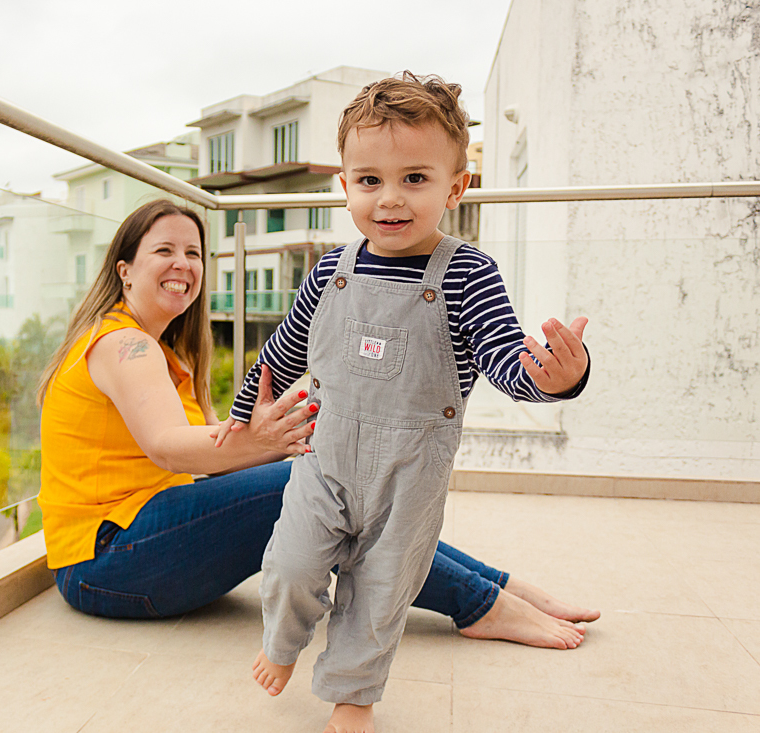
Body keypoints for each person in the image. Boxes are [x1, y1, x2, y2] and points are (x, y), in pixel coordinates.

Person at [35, 199, 596, 660]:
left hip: (137, 542)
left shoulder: (164, 352)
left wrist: (298, 437)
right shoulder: (124, 345)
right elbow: (167, 447)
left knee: (330, 485)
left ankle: (495, 585)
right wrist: (272, 444)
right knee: (314, 488)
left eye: (193, 252)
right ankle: (482, 604)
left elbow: (210, 458)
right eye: (164, 250)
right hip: (105, 560)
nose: (183, 263)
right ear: (124, 269)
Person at [215, 74, 592, 733]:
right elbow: (283, 349)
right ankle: (283, 638)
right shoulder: (330, 268)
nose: (389, 199)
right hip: (324, 458)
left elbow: (507, 358)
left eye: (415, 178)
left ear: (455, 186)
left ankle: (352, 699)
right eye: (369, 181)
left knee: (381, 591)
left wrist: (557, 378)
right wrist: (243, 411)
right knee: (289, 562)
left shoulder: (468, 272)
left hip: (410, 476)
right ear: (346, 185)